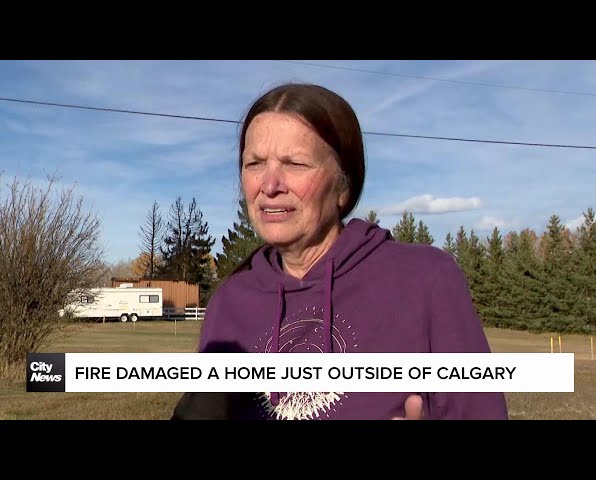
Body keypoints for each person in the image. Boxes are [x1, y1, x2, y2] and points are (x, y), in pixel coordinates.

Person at [171, 82, 509, 420]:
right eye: (255, 163)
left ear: (343, 186)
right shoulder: (231, 302)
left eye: (296, 164)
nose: (270, 186)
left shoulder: (425, 280)